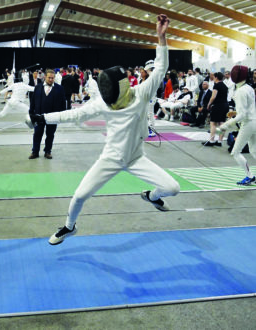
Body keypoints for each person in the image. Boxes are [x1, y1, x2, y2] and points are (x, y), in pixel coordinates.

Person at [30, 14, 179, 245]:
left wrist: (161, 38)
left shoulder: (141, 93)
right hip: (110, 158)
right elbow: (74, 114)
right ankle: (69, 227)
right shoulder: (103, 102)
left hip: (136, 158)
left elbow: (161, 67)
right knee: (79, 195)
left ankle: (152, 196)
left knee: (172, 187)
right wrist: (42, 118)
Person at [217, 65, 256, 185]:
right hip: (254, 121)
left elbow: (243, 115)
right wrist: (235, 112)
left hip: (248, 123)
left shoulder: (241, 91)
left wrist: (226, 125)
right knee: (254, 151)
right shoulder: (248, 87)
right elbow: (248, 108)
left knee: (236, 152)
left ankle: (249, 176)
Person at [28, 69, 66, 160]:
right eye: (49, 78)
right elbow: (33, 101)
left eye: (52, 78)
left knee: (50, 134)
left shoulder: (59, 88)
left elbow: (63, 103)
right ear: (45, 77)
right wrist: (31, 113)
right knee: (37, 134)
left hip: (53, 117)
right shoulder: (38, 87)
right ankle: (35, 152)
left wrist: (62, 115)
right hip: (39, 116)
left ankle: (48, 151)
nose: (51, 79)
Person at [204, 72, 229, 146]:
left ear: (216, 77)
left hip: (218, 105)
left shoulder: (216, 85)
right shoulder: (225, 86)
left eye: (214, 77)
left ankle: (211, 141)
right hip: (225, 105)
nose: (213, 78)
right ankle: (219, 141)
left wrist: (209, 104)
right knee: (222, 124)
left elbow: (213, 96)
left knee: (213, 123)